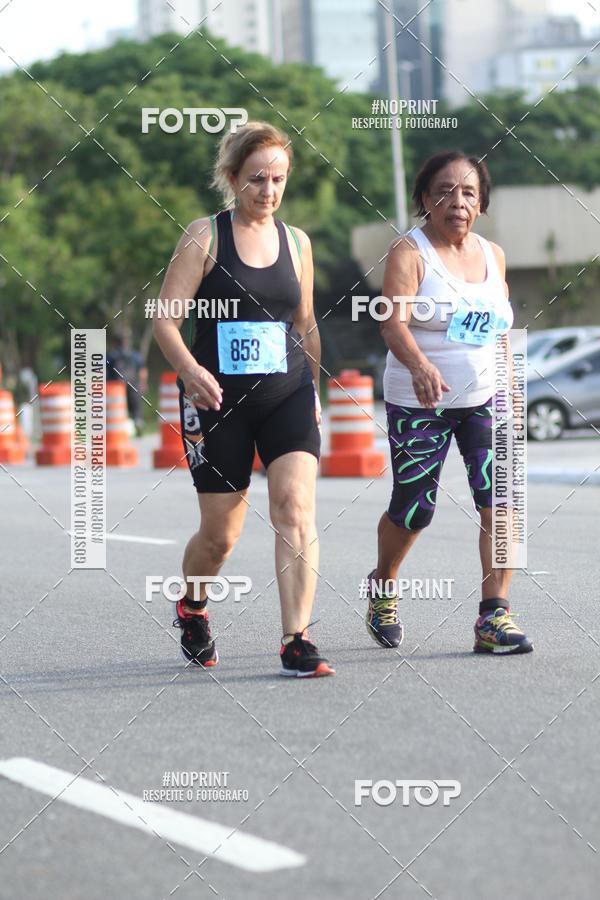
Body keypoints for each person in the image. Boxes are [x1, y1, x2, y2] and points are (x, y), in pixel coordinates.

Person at [153, 121, 334, 677]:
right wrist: (188, 371)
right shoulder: (205, 236)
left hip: (287, 394)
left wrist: (317, 390)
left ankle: (296, 639)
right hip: (217, 403)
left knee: (295, 510)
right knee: (220, 535)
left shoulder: (297, 243)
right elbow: (165, 319)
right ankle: (193, 604)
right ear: (232, 178)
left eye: (278, 179)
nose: (269, 191)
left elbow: (304, 324)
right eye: (257, 179)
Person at [364, 150, 533, 656]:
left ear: (481, 203)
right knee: (415, 509)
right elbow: (392, 323)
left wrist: (512, 385)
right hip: (419, 402)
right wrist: (419, 365)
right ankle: (384, 588)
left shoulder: (493, 254)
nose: (455, 201)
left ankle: (494, 616)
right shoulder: (410, 253)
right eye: (443, 190)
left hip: (487, 398)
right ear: (424, 199)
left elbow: (500, 327)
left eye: (467, 192)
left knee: (501, 501)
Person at [106, 332, 148, 436]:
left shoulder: (111, 356)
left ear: (114, 343)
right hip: (133, 385)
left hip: (116, 388)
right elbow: (142, 370)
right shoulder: (134, 355)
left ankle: (117, 432)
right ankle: (138, 423)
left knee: (117, 410)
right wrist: (143, 383)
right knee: (135, 408)